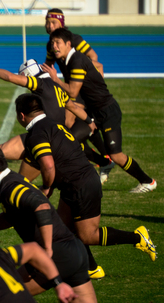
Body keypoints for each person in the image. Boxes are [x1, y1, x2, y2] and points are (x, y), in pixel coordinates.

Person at [14, 94, 156, 271]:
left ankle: (138, 238)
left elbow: (48, 166)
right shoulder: (54, 124)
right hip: (76, 182)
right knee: (64, 229)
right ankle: (91, 268)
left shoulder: (36, 134)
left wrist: (47, 187)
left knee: (88, 236)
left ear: (21, 116)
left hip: (80, 185)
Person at [0, 143, 98, 303]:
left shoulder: (9, 188)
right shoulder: (11, 180)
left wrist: (47, 248)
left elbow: (41, 206)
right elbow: (12, 216)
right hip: (74, 250)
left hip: (56, 254)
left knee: (0, 293)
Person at [46, 28, 157, 193]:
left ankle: (148, 181)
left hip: (107, 111)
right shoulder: (68, 60)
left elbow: (73, 92)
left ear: (68, 44)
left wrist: (55, 80)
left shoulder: (76, 60)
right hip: (93, 112)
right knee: (71, 140)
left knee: (116, 155)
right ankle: (104, 163)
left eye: (58, 43)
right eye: (52, 43)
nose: (54, 46)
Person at [0, 57, 96, 182]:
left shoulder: (40, 84)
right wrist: (90, 122)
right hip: (55, 136)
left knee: (21, 183)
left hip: (45, 137)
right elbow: (74, 107)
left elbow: (10, 77)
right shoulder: (57, 86)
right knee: (0, 151)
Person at [43, 9, 114, 185]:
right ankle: (105, 157)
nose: (50, 26)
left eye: (53, 22)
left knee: (69, 126)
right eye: (47, 22)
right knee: (74, 126)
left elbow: (94, 58)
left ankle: (104, 157)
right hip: (69, 88)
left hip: (78, 89)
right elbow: (48, 66)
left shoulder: (73, 40)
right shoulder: (52, 45)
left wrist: (87, 80)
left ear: (62, 23)